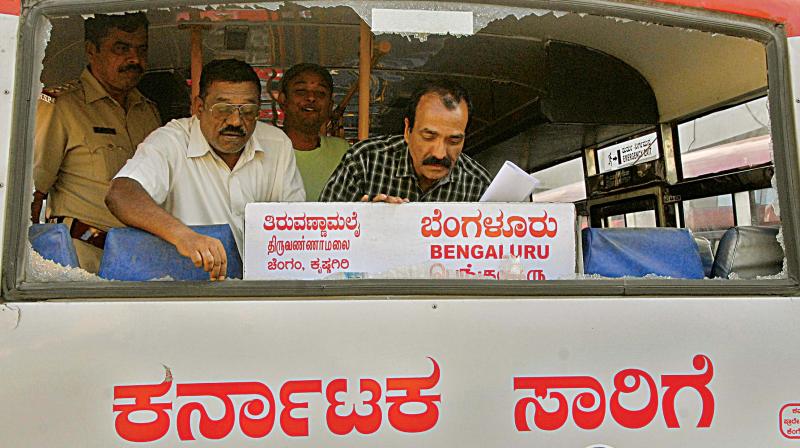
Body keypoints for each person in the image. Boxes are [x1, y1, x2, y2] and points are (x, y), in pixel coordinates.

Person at [106, 59, 305, 281]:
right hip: (191, 289)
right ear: (198, 108)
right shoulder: (171, 141)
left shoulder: (277, 144)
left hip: (261, 291)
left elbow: (294, 227)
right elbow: (121, 193)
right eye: (223, 109)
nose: (236, 121)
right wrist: (184, 236)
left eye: (248, 111)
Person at [32, 12, 160, 273]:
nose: (134, 59)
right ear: (92, 51)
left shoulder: (149, 112)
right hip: (84, 262)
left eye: (141, 49)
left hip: (144, 262)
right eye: (121, 48)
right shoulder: (61, 107)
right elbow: (30, 196)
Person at [319, 79, 491, 203]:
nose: (439, 154)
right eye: (429, 136)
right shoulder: (364, 161)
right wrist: (363, 221)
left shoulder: (477, 184)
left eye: (454, 140)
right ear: (408, 131)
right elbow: (322, 235)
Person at [278, 63, 349, 201]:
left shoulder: (343, 151)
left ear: (330, 105)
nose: (311, 97)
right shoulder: (264, 148)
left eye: (320, 93)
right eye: (301, 91)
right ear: (283, 101)